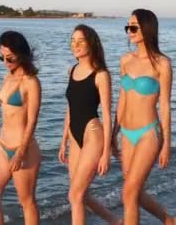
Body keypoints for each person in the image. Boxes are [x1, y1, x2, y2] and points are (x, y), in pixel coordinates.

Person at [112, 9, 176, 225]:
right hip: (126, 133)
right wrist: (113, 133)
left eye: (133, 27)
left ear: (147, 29)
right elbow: (121, 100)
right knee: (134, 191)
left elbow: (166, 106)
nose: (129, 32)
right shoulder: (125, 60)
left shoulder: (162, 63)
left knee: (129, 192)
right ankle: (169, 220)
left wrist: (167, 143)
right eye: (127, 27)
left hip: (148, 132)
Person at [58, 24, 119, 225]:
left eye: (80, 41)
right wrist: (64, 139)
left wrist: (106, 153)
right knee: (80, 194)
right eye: (72, 41)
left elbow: (107, 116)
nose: (75, 45)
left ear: (91, 44)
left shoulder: (101, 75)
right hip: (74, 136)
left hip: (93, 134)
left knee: (74, 195)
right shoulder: (72, 70)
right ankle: (117, 222)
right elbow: (70, 107)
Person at [0, 31, 42, 225]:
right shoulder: (7, 77)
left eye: (9, 57)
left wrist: (20, 153)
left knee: (26, 202)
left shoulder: (31, 82)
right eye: (2, 57)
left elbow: (32, 121)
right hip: (2, 148)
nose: (5, 62)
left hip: (23, 151)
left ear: (21, 53)